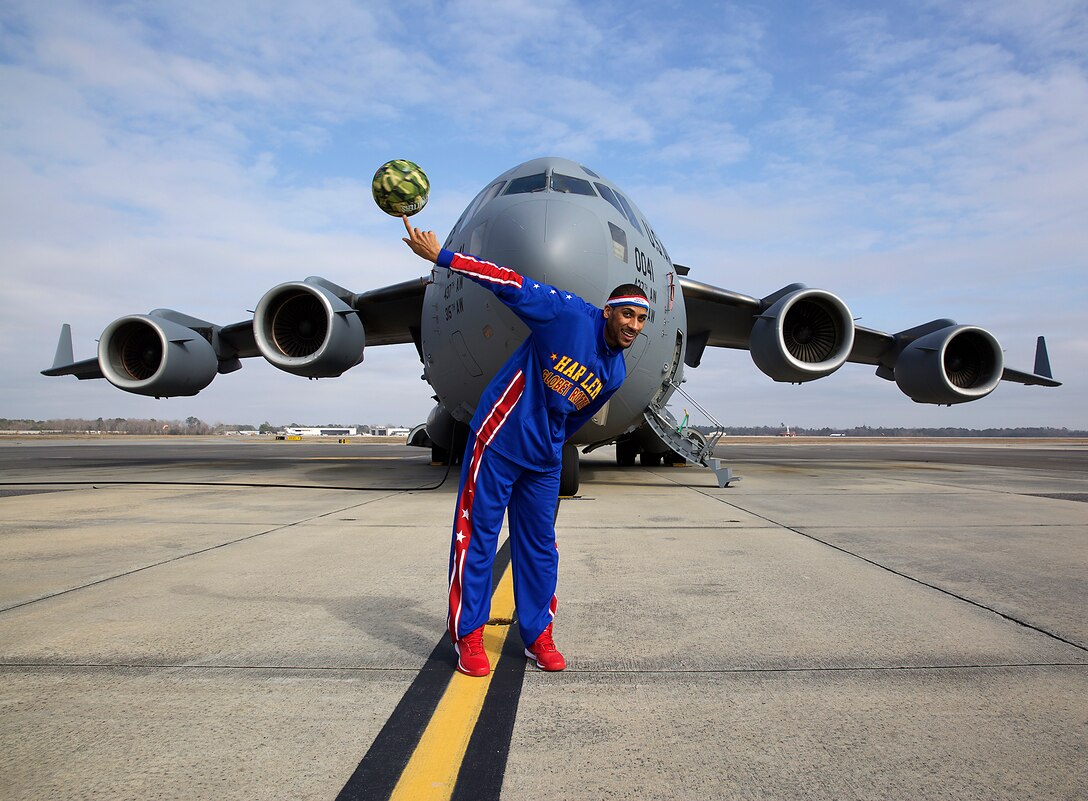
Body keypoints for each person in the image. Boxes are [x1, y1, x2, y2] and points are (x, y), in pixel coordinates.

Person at [401, 215, 649, 676]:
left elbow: (572, 414)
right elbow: (508, 283)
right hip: (497, 439)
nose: (633, 325)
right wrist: (443, 258)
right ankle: (469, 635)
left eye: (641, 319)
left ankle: (537, 635)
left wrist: (551, 442)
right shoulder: (568, 315)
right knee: (476, 539)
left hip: (543, 459)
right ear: (609, 311)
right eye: (628, 314)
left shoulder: (614, 372)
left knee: (540, 549)